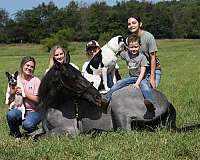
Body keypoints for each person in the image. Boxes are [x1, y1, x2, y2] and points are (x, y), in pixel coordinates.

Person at [102, 34, 155, 109]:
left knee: (144, 86)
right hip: (131, 77)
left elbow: (143, 72)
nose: (134, 49)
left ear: (140, 46)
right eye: (131, 47)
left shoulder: (142, 57)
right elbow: (115, 51)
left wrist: (137, 84)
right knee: (119, 83)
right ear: (128, 47)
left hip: (142, 78)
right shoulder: (126, 54)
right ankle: (106, 98)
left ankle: (150, 101)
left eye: (136, 47)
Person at [6, 56, 41, 138]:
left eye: (32, 67)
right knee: (11, 114)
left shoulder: (36, 80)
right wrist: (12, 93)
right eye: (27, 65)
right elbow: (10, 102)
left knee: (27, 124)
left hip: (34, 111)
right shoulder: (14, 79)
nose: (29, 68)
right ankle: (16, 133)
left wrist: (24, 93)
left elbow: (39, 100)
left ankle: (37, 131)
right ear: (22, 66)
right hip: (19, 109)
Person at [127, 16, 161, 89]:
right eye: (129, 24)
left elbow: (153, 58)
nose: (131, 25)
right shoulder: (129, 39)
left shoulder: (148, 37)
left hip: (152, 69)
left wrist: (152, 77)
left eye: (134, 23)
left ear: (140, 24)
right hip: (138, 71)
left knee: (149, 90)